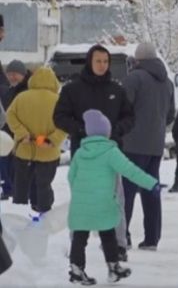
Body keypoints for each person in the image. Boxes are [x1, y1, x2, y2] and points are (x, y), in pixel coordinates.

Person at [54, 44, 134, 261]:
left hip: (110, 154)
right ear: (90, 62)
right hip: (84, 155)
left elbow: (129, 118)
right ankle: (76, 246)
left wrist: (115, 131)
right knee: (82, 200)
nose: (102, 65)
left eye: (106, 61)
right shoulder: (72, 89)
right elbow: (59, 117)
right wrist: (81, 130)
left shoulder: (116, 90)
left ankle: (118, 245)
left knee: (116, 199)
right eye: (98, 61)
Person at [67, 109, 158, 285]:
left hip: (81, 203)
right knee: (108, 233)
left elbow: (71, 177)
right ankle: (113, 267)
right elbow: (130, 170)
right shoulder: (111, 152)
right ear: (106, 133)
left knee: (80, 236)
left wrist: (80, 193)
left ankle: (77, 270)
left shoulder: (80, 153)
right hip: (103, 202)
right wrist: (151, 183)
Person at [121, 43, 175, 252]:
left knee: (126, 191)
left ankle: (122, 236)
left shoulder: (134, 78)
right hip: (155, 145)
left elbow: (123, 107)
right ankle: (152, 238)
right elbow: (171, 114)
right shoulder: (168, 82)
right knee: (151, 189)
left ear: (138, 59)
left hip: (132, 143)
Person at [6, 67, 66, 213]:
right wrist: (52, 140)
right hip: (48, 152)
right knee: (44, 185)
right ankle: (44, 213)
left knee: (21, 185)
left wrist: (22, 133)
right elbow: (66, 124)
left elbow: (10, 116)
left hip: (24, 151)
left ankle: (19, 213)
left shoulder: (21, 98)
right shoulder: (59, 101)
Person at [0, 60, 30, 200]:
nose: (12, 77)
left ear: (23, 75)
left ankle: (21, 190)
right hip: (7, 132)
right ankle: (8, 189)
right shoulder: (7, 91)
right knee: (4, 161)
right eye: (10, 74)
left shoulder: (28, 91)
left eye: (16, 74)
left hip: (24, 133)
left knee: (20, 164)